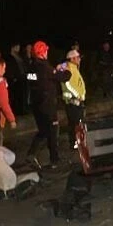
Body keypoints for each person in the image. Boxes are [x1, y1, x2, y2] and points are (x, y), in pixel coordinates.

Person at [26, 40, 71, 169]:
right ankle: (54, 160)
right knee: (53, 131)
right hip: (47, 104)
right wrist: (66, 70)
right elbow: (63, 77)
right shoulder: (44, 67)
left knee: (43, 130)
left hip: (36, 103)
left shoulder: (31, 66)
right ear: (43, 52)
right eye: (46, 51)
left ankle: (31, 154)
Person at [61, 50, 86, 149]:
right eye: (77, 57)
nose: (79, 59)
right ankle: (75, 142)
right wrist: (77, 96)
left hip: (76, 101)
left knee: (76, 123)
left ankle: (77, 142)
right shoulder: (69, 68)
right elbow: (67, 84)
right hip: (73, 101)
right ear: (72, 59)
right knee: (75, 124)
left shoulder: (73, 67)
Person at [4, 44, 27, 115]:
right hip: (14, 79)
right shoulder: (9, 58)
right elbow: (10, 68)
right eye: (17, 47)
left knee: (21, 95)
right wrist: (13, 77)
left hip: (20, 78)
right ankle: (15, 111)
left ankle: (21, 110)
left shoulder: (19, 57)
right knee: (14, 96)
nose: (18, 48)